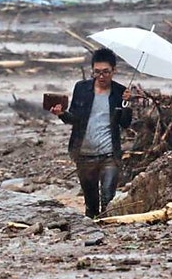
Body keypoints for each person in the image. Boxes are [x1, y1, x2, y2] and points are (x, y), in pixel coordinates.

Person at [50, 48, 132, 219]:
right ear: (92, 71)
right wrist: (61, 113)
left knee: (108, 201)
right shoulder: (81, 88)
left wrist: (127, 105)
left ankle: (111, 240)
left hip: (110, 154)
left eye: (106, 72)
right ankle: (94, 239)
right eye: (97, 72)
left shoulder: (120, 92)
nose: (101, 77)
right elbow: (74, 118)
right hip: (84, 154)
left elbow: (125, 123)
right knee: (91, 205)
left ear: (114, 71)